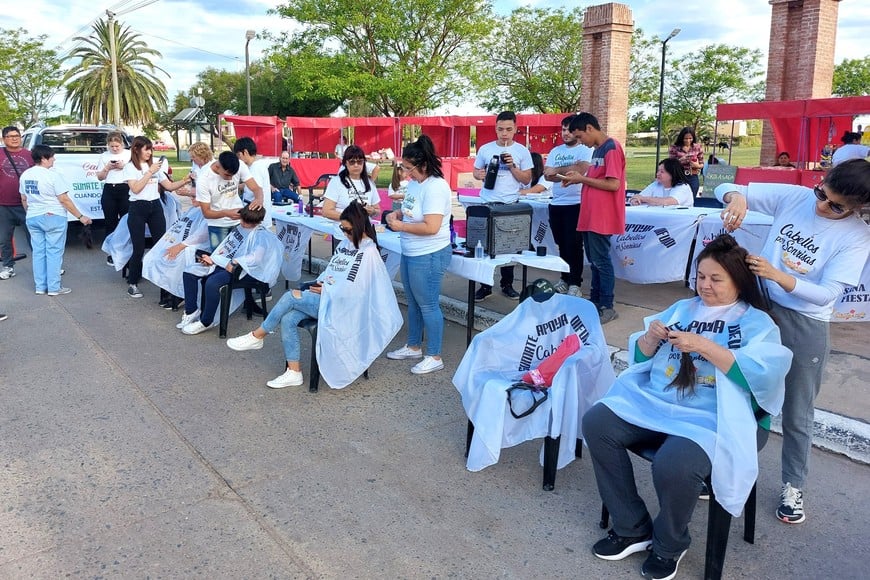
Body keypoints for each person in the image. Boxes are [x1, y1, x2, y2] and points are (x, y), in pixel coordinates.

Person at [583, 234, 792, 580]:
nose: (705, 286)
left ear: (738, 281)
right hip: (661, 403)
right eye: (700, 277)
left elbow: (764, 377)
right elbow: (641, 357)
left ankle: (669, 544)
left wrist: (705, 346)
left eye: (715, 279)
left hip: (715, 415)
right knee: (598, 423)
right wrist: (649, 338)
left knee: (673, 463)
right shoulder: (682, 309)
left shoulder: (756, 322)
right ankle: (631, 525)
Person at [715, 158, 870, 525]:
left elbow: (826, 294)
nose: (821, 206)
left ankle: (793, 486)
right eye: (822, 194)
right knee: (740, 392)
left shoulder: (856, 237)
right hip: (759, 309)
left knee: (798, 410)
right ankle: (728, 469)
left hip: (805, 324)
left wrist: (776, 274)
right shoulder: (796, 197)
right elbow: (723, 188)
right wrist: (736, 197)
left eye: (836, 206)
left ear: (857, 209)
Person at [226, 202, 401, 388]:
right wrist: (322, 284)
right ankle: (293, 372)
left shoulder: (368, 253)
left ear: (359, 227)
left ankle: (258, 335)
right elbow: (334, 271)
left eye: (347, 229)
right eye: (342, 228)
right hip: (327, 296)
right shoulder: (346, 244)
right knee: (288, 319)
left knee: (291, 296)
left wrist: (327, 290)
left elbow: (358, 290)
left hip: (343, 306)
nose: (344, 233)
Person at [384, 135, 453, 375]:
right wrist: (397, 216)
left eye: (407, 167)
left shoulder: (436, 187)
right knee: (413, 301)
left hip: (430, 253)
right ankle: (413, 345)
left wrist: (400, 227)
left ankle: (434, 355)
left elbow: (431, 227)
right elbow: (410, 211)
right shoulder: (415, 185)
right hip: (411, 251)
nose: (404, 172)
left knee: (428, 304)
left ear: (422, 165)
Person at [561, 112, 626, 324]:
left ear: (590, 128)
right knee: (595, 261)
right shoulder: (598, 149)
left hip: (602, 216)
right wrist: (578, 178)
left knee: (601, 261)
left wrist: (583, 179)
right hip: (590, 215)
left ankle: (607, 304)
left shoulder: (611, 148)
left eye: (580, 136)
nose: (581, 142)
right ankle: (596, 301)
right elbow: (596, 179)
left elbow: (613, 184)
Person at [177, 205, 281, 335]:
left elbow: (256, 259)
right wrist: (212, 259)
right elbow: (225, 248)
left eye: (245, 221)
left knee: (212, 282)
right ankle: (191, 311)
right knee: (190, 272)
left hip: (248, 272)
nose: (242, 223)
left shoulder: (262, 235)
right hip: (228, 265)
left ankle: (206, 321)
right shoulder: (240, 228)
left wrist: (233, 261)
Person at [472, 111, 533, 301]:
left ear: (515, 129)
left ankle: (507, 284)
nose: (504, 133)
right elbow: (476, 171)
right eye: (500, 129)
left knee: (509, 246)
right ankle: (485, 285)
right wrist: (478, 175)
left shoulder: (522, 151)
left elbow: (527, 179)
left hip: (510, 203)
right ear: (495, 129)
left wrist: (513, 166)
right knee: (485, 245)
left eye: (508, 129)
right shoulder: (485, 149)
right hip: (488, 201)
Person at [18, 145, 94, 295]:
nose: (54, 159)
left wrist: (31, 212)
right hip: (53, 216)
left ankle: (40, 287)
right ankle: (54, 287)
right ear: (44, 158)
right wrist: (81, 217)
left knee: (39, 252)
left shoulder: (25, 175)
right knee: (53, 252)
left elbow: (24, 198)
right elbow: (64, 199)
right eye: (52, 156)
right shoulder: (53, 176)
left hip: (33, 216)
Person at [123, 136, 191, 299]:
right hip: (137, 207)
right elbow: (136, 188)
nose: (149, 152)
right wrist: (149, 172)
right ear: (136, 149)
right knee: (138, 247)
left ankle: (164, 286)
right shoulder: (131, 167)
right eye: (146, 149)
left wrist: (185, 180)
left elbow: (168, 186)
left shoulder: (154, 167)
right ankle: (133, 283)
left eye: (150, 149)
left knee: (161, 244)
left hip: (155, 206)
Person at [542, 114, 593, 297]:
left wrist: (557, 171)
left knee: (574, 244)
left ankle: (575, 282)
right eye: (563, 129)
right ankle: (564, 278)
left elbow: (581, 170)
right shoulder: (556, 151)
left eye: (569, 130)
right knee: (561, 244)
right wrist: (562, 172)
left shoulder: (584, 150)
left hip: (576, 203)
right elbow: (547, 175)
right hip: (556, 203)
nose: (565, 133)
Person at [195, 151, 262, 251]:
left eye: (233, 175)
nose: (230, 178)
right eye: (227, 175)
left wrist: (259, 199)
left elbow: (256, 188)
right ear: (218, 166)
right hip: (217, 226)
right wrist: (226, 213)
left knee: (240, 255)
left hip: (239, 222)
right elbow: (206, 213)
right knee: (219, 258)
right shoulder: (204, 180)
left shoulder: (240, 165)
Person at [0, 126, 34, 280]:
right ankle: (8, 267)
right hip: (3, 204)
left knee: (35, 237)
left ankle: (45, 266)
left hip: (27, 204)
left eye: (17, 135)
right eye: (10, 136)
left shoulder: (30, 155)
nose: (14, 138)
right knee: (4, 239)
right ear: (3, 139)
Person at [95, 131, 132, 266]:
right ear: (108, 146)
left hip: (125, 188)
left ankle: (127, 250)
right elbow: (100, 177)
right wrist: (107, 168)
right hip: (109, 188)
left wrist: (124, 166)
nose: (115, 149)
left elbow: (138, 171)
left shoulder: (129, 154)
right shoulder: (104, 156)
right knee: (110, 221)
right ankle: (112, 252)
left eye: (117, 146)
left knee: (126, 221)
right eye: (112, 146)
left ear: (122, 144)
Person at [322, 145, 380, 221]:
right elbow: (326, 211)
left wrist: (372, 211)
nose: (356, 165)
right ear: (346, 163)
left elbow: (377, 210)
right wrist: (349, 217)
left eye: (359, 162)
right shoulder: (336, 182)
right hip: (343, 231)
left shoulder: (369, 183)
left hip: (365, 231)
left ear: (364, 163)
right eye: (352, 162)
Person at [233, 137, 271, 222]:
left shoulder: (255, 168)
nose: (238, 159)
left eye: (239, 155)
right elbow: (250, 185)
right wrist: (236, 186)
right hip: (257, 216)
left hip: (255, 217)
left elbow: (257, 188)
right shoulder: (258, 165)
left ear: (245, 152)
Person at [629, 158, 694, 207]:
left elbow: (667, 202)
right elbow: (637, 197)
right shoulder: (656, 184)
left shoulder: (683, 187)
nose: (658, 174)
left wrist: (643, 199)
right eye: (658, 171)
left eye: (662, 172)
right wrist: (634, 201)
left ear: (672, 174)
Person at [668, 127, 704, 195]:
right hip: (679, 176)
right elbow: (670, 164)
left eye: (690, 138)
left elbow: (702, 163)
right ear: (681, 138)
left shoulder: (697, 147)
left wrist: (697, 165)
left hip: (693, 176)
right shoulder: (674, 148)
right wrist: (680, 160)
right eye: (686, 138)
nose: (688, 141)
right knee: (678, 197)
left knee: (692, 198)